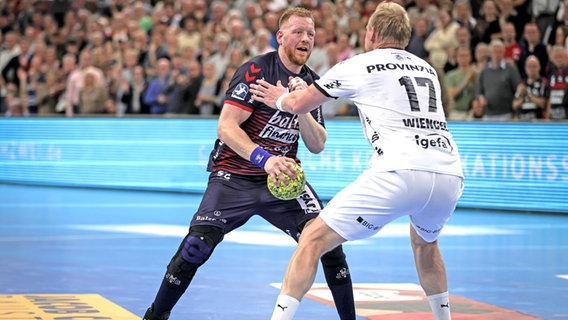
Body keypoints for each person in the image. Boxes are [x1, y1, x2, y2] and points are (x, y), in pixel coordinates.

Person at [250, 3, 464, 320]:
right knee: (425, 244)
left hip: (399, 171)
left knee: (312, 239)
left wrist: (278, 98)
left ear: (372, 33)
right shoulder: (427, 68)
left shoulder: (361, 64)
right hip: (449, 173)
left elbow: (298, 103)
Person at [142, 7, 356, 320]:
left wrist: (298, 107)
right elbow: (226, 127)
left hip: (283, 183)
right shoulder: (256, 71)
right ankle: (155, 315)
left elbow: (317, 144)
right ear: (280, 37)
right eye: (298, 31)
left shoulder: (312, 83)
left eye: (311, 34)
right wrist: (265, 159)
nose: (306, 39)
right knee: (196, 247)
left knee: (329, 246)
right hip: (235, 176)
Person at [475, 39, 521, 120]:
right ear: (490, 53)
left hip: (506, 113)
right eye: (495, 51)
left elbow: (518, 89)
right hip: (488, 114)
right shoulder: (484, 71)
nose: (497, 54)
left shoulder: (510, 69)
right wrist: (481, 98)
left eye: (500, 51)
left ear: (503, 52)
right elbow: (478, 90)